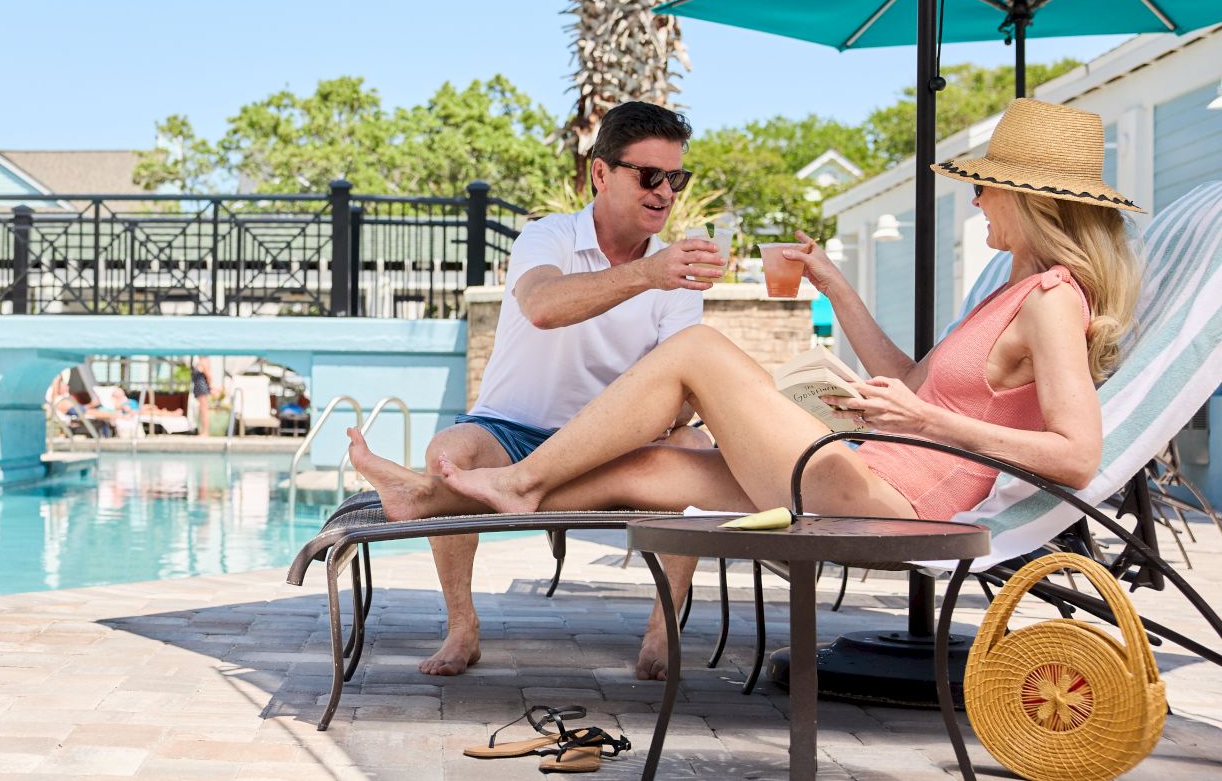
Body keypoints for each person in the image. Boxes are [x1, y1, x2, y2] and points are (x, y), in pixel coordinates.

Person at [350, 98, 1139, 673]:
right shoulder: (1010, 289)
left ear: (1033, 199)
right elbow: (908, 380)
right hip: (868, 464)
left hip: (895, 499)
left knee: (697, 349)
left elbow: (1075, 452)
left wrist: (932, 426)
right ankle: (433, 496)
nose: (975, 198)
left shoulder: (1050, 299)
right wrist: (835, 287)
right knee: (637, 472)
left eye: (986, 185)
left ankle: (516, 484)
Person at [396, 101, 725, 679]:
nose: (665, 192)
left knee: (696, 453)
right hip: (514, 431)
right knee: (450, 452)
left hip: (612, 448)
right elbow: (544, 308)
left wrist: (679, 412)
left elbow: (680, 381)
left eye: (676, 178)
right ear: (600, 173)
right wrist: (648, 274)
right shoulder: (547, 237)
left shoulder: (676, 273)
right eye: (649, 175)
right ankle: (462, 629)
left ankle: (662, 632)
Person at [190, 356, 214, 437]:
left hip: (202, 389)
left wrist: (211, 388)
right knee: (201, 410)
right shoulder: (199, 361)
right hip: (199, 389)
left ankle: (206, 432)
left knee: (204, 411)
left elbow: (209, 376)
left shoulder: (204, 361)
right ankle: (203, 431)